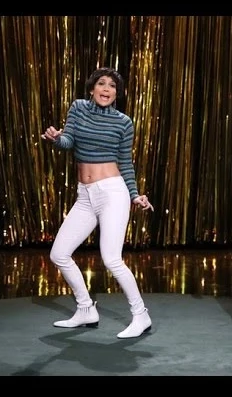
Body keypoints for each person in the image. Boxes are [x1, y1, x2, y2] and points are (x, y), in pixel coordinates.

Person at [41, 67, 154, 339]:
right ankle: (85, 309)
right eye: (101, 84)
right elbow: (69, 141)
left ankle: (141, 315)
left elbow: (125, 162)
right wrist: (56, 139)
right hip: (86, 195)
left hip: (113, 192)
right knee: (59, 254)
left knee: (112, 259)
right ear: (92, 89)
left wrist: (134, 194)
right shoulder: (78, 108)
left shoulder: (124, 122)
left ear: (116, 94)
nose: (107, 89)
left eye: (112, 86)